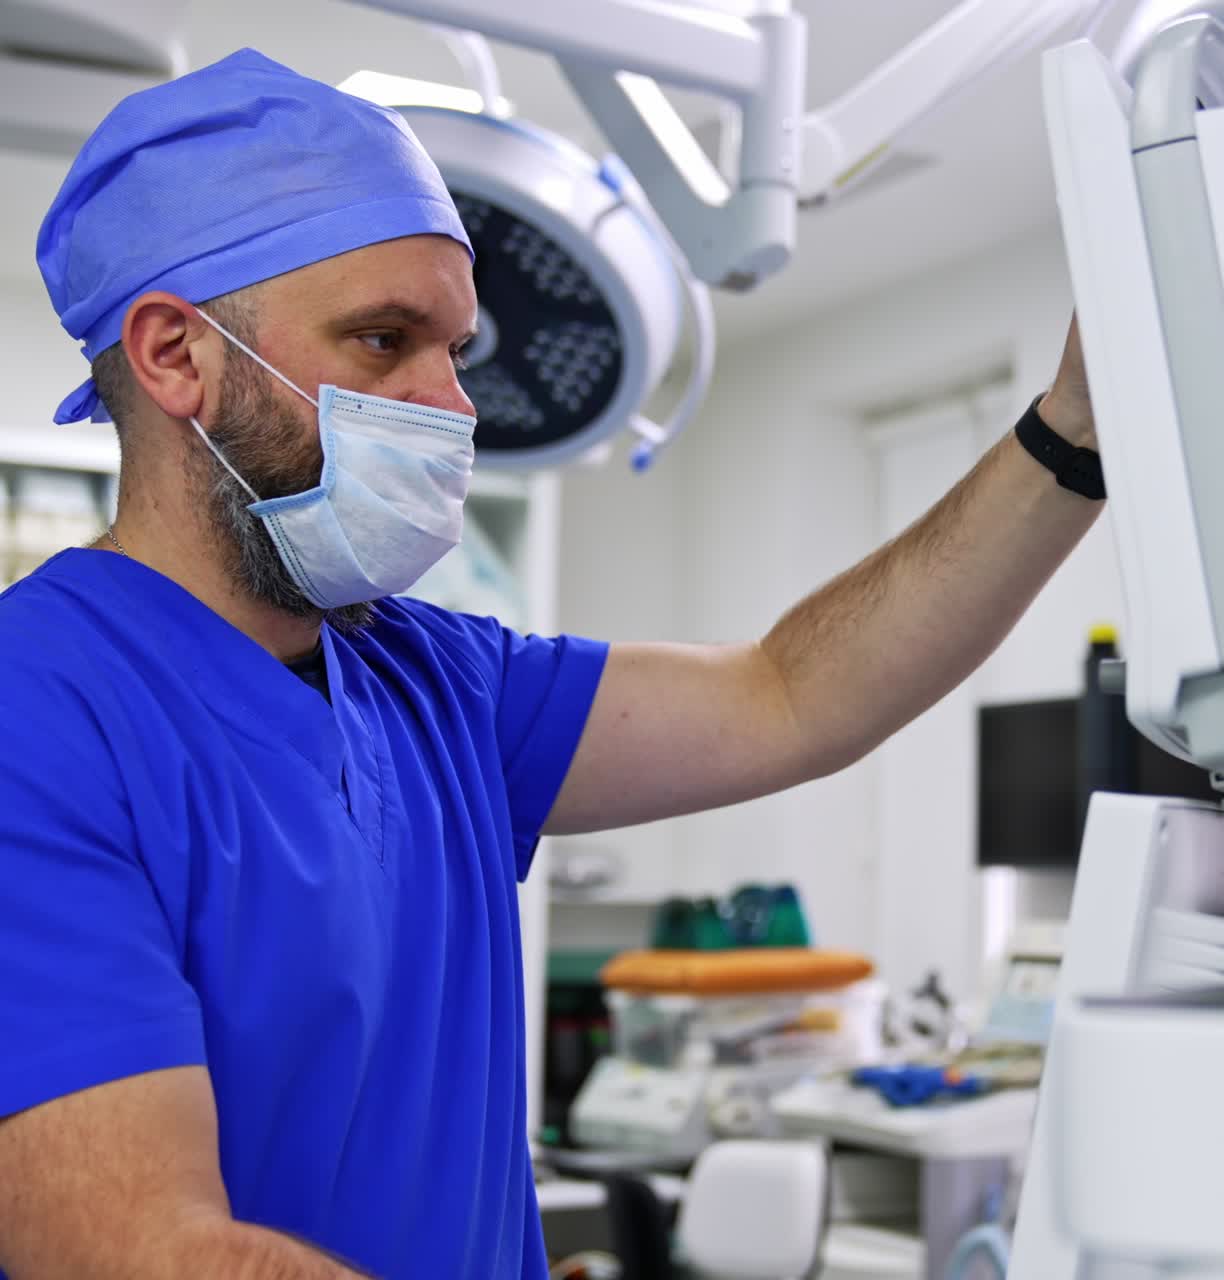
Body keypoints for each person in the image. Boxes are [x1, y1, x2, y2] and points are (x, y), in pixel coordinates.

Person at [0, 47, 1100, 1280]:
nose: (452, 404)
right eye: (382, 339)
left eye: (454, 351)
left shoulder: (435, 682)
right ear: (173, 355)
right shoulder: (36, 716)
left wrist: (1072, 431)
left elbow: (791, 693)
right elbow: (139, 1250)